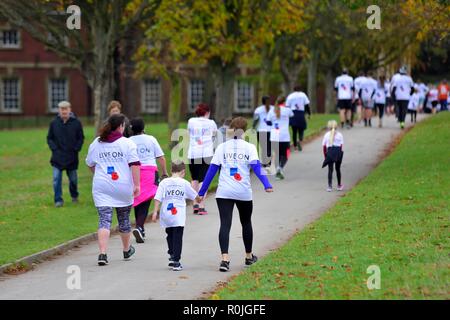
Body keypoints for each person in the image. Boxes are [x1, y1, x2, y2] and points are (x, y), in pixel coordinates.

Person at [197, 117, 273, 272]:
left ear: (230, 130)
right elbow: (257, 168)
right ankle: (248, 256)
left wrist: (202, 192)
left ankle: (225, 260)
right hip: (243, 191)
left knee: (225, 224)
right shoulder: (249, 147)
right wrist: (267, 184)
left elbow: (211, 171)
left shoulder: (222, 147)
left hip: (224, 192)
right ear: (245, 131)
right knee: (246, 222)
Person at [85, 114, 141, 266]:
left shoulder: (96, 143)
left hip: (102, 186)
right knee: (124, 219)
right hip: (122, 185)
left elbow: (90, 163)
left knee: (104, 220)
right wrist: (137, 185)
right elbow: (135, 165)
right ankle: (126, 250)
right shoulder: (127, 144)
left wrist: (99, 174)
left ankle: (103, 254)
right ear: (121, 126)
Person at [151, 162, 198, 271]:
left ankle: (172, 254)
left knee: (170, 234)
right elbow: (194, 195)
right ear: (183, 172)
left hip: (166, 213)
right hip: (178, 214)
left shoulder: (164, 182)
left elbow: (158, 198)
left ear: (171, 171)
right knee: (178, 236)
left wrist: (154, 212)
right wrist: (199, 199)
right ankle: (176, 261)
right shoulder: (184, 183)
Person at [129, 118, 168, 243]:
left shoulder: (128, 141)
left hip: (133, 172)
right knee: (145, 200)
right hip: (150, 172)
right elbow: (161, 158)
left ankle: (141, 228)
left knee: (137, 198)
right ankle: (139, 226)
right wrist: (164, 173)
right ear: (143, 128)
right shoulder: (151, 139)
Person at [47, 101, 85, 207]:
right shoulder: (54, 123)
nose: (64, 111)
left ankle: (74, 196)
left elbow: (81, 138)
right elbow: (49, 138)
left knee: (73, 180)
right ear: (59, 110)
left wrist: (76, 149)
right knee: (56, 179)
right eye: (62, 109)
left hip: (71, 156)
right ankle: (58, 200)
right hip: (57, 157)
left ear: (70, 110)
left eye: (66, 109)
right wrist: (54, 149)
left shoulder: (76, 123)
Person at [187, 103, 217, 215]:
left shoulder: (191, 121)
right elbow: (214, 136)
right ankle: (201, 205)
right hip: (206, 154)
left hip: (193, 153)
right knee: (203, 180)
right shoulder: (211, 123)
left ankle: (194, 203)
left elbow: (190, 133)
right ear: (207, 112)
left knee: (194, 179)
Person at [267, 96, 294, 180]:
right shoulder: (287, 110)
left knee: (278, 154)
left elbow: (268, 122)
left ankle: (279, 170)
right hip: (284, 136)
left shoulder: (272, 110)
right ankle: (280, 168)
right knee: (286, 154)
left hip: (274, 135)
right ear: (284, 102)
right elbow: (292, 116)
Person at [322, 120, 344, 192]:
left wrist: (326, 156)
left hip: (330, 152)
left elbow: (324, 147)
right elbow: (341, 146)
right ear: (336, 126)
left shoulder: (326, 135)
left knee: (330, 170)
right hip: (338, 152)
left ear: (328, 127)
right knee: (338, 169)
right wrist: (340, 154)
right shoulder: (340, 135)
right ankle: (339, 185)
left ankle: (329, 186)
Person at [286, 86, 311, 151]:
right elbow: (307, 105)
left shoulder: (290, 96)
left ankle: (295, 146)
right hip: (301, 113)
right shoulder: (303, 95)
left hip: (293, 113)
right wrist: (309, 113)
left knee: (294, 131)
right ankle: (300, 140)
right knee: (301, 128)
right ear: (300, 89)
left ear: (293, 89)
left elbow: (287, 106)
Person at [253, 96, 274, 165]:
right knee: (269, 146)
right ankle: (269, 161)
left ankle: (265, 161)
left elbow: (255, 120)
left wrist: (253, 127)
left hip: (261, 130)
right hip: (271, 130)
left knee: (263, 147)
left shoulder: (258, 110)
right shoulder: (273, 109)